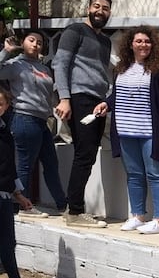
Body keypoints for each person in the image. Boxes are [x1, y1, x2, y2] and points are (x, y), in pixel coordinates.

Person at [92, 26, 159, 234]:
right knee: (134, 175)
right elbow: (119, 95)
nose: (143, 45)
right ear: (130, 44)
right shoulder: (121, 69)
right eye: (139, 41)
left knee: (157, 174)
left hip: (152, 132)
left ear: (153, 45)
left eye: (147, 41)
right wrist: (107, 104)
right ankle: (138, 216)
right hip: (125, 131)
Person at [52, 0, 112, 228]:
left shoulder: (105, 41)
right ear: (88, 8)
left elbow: (100, 72)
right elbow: (61, 64)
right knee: (85, 153)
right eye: (96, 6)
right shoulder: (74, 31)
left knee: (86, 153)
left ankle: (75, 208)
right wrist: (64, 98)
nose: (100, 11)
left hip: (97, 101)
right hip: (79, 98)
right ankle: (75, 211)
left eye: (105, 8)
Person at [0, 30, 67, 217]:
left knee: (51, 163)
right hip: (24, 117)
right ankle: (23, 205)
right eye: (31, 40)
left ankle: (62, 204)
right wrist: (6, 51)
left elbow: (49, 95)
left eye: (39, 42)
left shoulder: (44, 68)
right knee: (25, 165)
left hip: (42, 120)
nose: (36, 44)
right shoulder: (16, 65)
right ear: (23, 42)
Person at [0, 88, 34, 278]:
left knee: (8, 244)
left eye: (0, 103)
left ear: (6, 106)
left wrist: (19, 195)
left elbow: (9, 167)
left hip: (4, 198)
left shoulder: (5, 133)